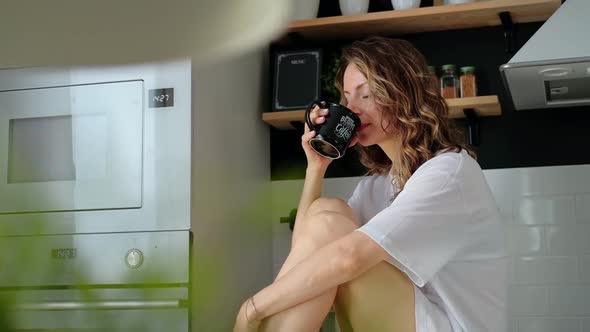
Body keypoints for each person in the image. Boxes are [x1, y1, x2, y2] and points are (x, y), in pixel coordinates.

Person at [233, 36, 507, 332]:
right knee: (326, 215)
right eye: (347, 97)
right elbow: (307, 248)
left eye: (365, 95)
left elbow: (347, 258)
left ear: (402, 94)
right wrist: (316, 166)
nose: (352, 110)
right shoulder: (377, 185)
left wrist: (252, 309)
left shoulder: (448, 173)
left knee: (333, 230)